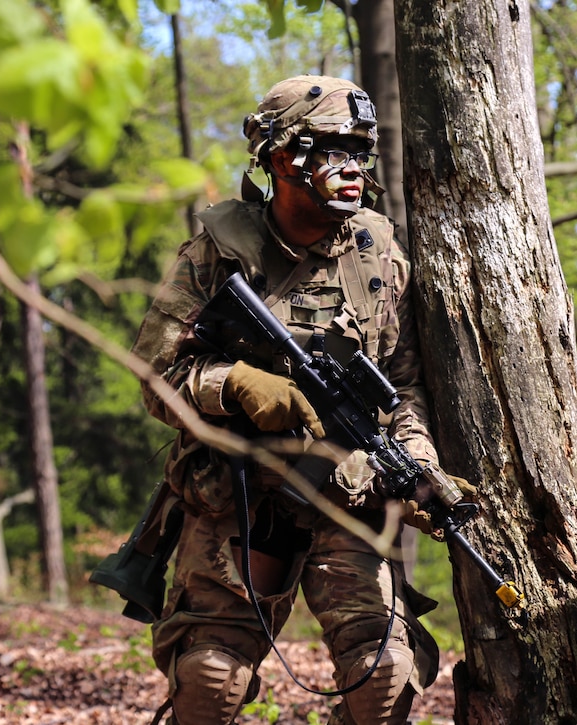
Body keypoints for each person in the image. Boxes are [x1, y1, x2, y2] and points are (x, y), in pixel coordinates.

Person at [131, 75, 462, 725]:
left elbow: (406, 385)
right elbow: (154, 372)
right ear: (284, 159)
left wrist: (417, 465)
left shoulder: (377, 255)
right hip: (244, 492)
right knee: (212, 675)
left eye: (360, 151)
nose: (353, 168)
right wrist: (238, 384)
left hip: (348, 488)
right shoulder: (222, 252)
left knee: (384, 673)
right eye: (334, 149)